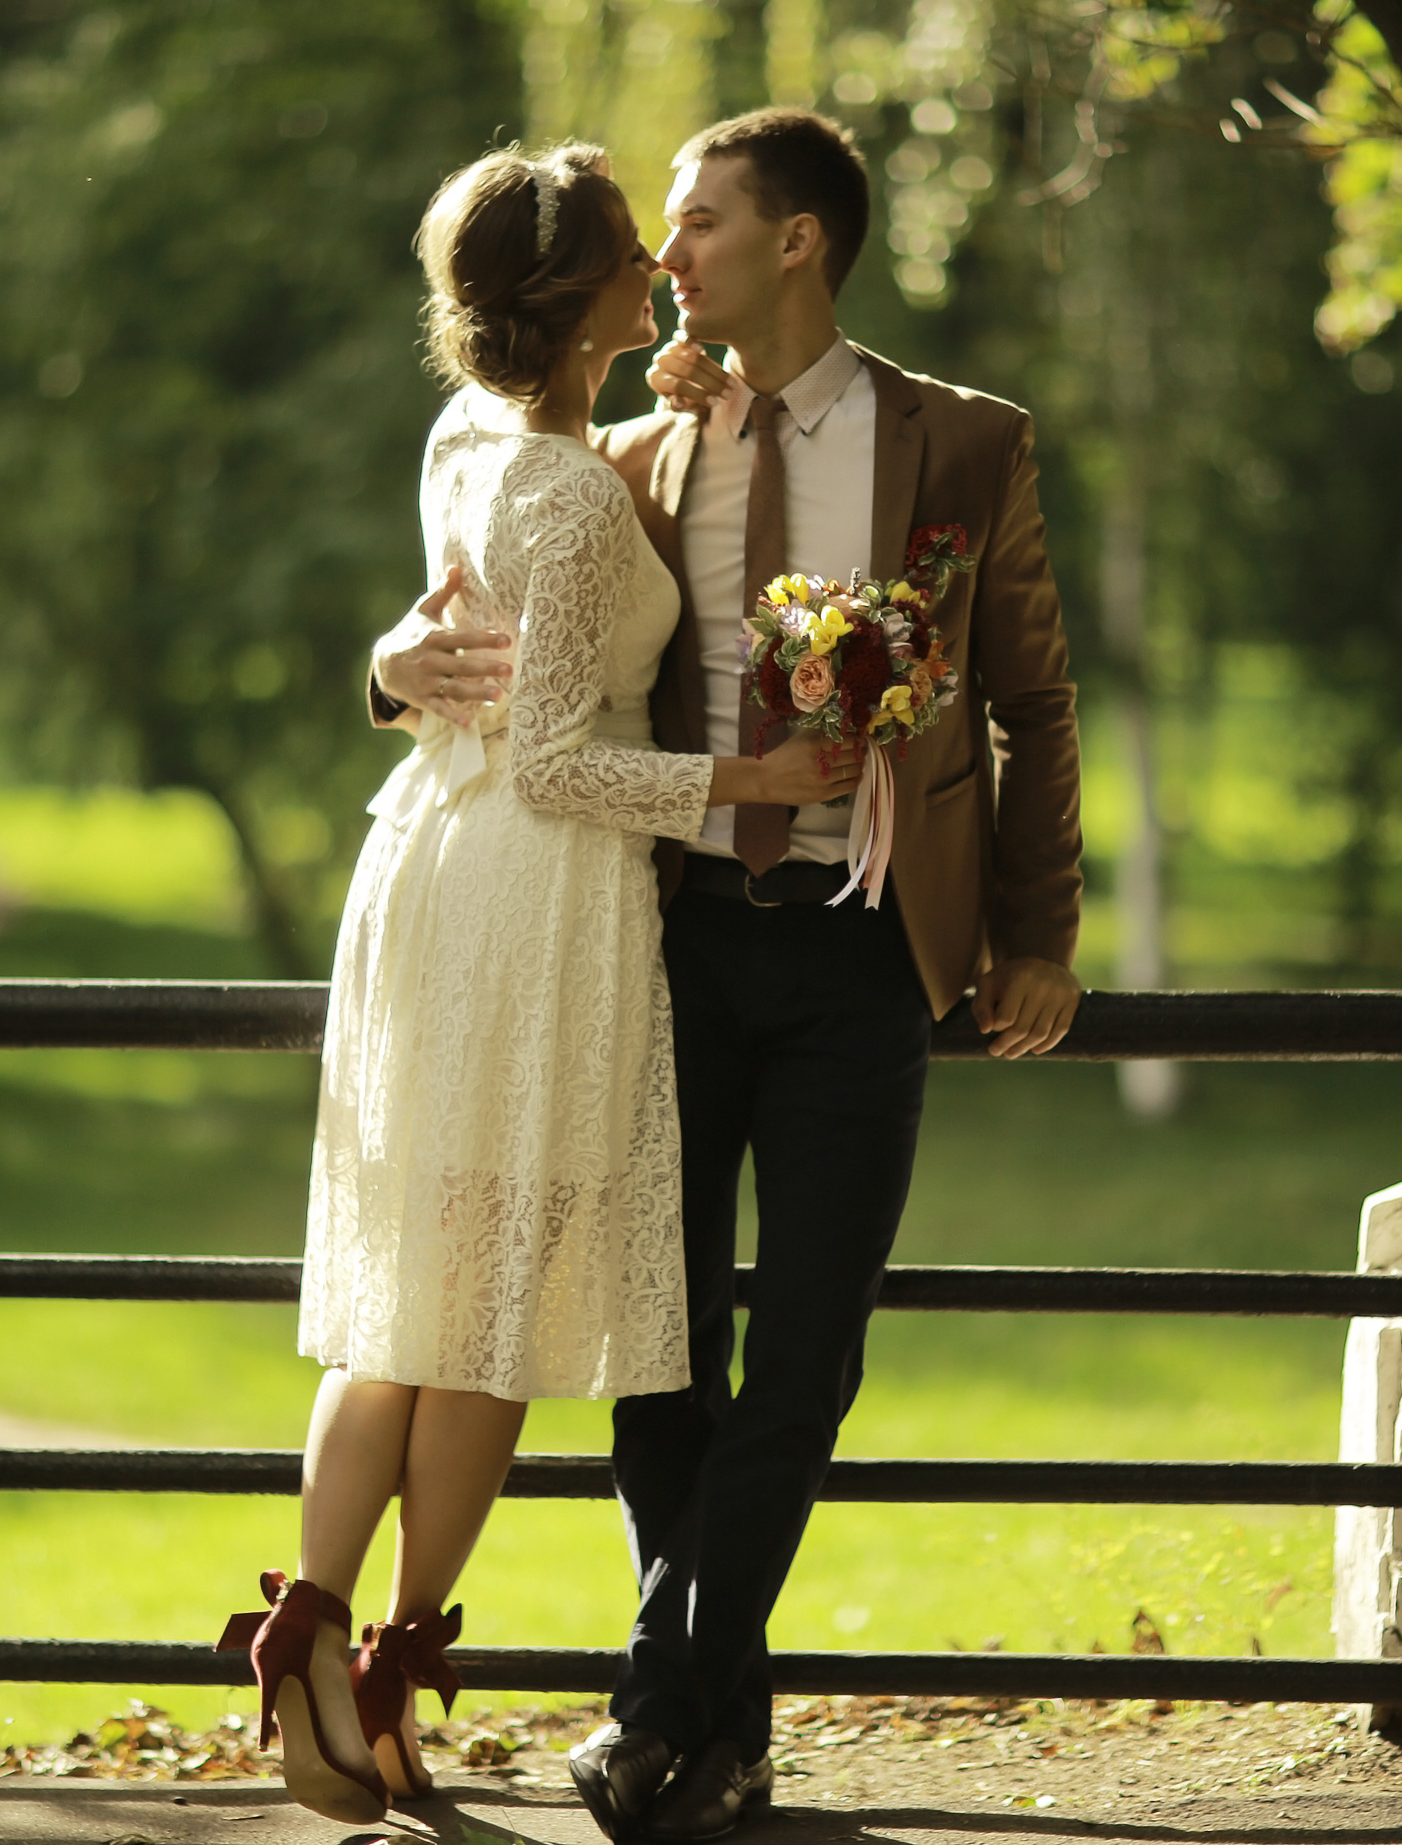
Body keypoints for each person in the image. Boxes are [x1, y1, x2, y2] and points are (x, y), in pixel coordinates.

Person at [372, 107, 1084, 1842]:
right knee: (661, 1356)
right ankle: (715, 1734)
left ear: (799, 244)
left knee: (810, 1358)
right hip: (666, 945)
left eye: (695, 224)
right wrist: (389, 665)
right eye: (658, 232)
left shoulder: (964, 444)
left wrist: (1039, 932)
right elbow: (493, 612)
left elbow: (1032, 701)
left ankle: (658, 1699)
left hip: (864, 954)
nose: (665, 255)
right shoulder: (636, 455)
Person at [226, 141, 861, 1827]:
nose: (662, 254)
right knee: (491, 1307)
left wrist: (655, 414)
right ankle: (388, 1660)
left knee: (407, 1297)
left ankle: (315, 1621)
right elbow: (573, 764)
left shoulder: (476, 438)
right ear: (587, 289)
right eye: (630, 247)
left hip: (431, 864)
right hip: (533, 891)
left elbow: (497, 649)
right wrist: (760, 787)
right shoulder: (571, 486)